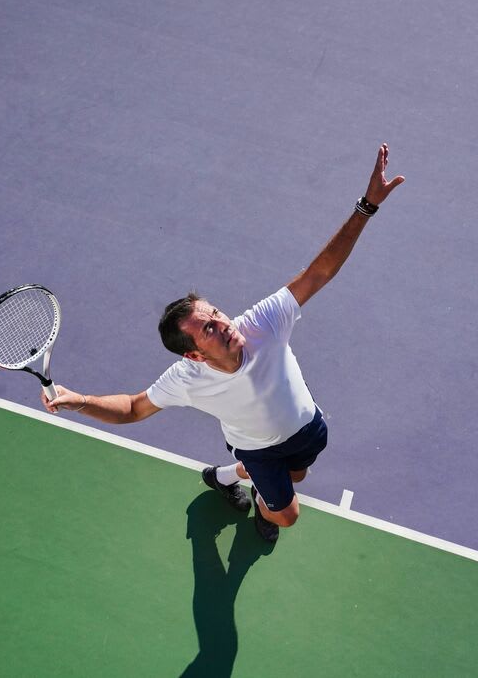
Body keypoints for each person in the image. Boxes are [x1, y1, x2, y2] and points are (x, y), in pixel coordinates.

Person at [42, 143, 404, 542]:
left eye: (215, 314)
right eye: (208, 328)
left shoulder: (262, 322)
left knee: (296, 474)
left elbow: (319, 273)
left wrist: (367, 206)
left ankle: (221, 477)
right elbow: (131, 409)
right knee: (286, 516)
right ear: (194, 353)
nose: (222, 323)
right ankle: (258, 498)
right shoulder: (185, 378)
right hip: (257, 449)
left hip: (306, 427)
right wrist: (78, 400)